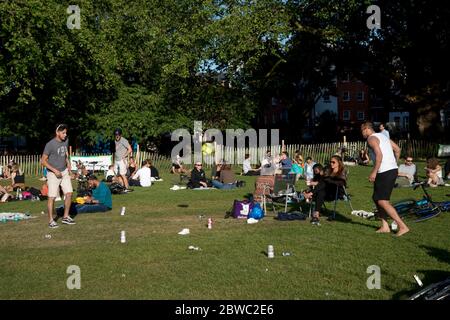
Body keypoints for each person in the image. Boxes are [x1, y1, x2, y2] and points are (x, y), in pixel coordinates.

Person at [361, 121, 409, 236]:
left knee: (383, 201)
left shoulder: (371, 139)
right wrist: (394, 163)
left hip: (384, 171)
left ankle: (402, 226)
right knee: (376, 198)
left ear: (367, 129)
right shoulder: (382, 136)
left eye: (362, 130)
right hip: (390, 170)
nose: (361, 133)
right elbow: (397, 149)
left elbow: (379, 155)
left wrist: (373, 172)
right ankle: (385, 226)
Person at [41, 123, 75, 228]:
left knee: (69, 193)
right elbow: (43, 161)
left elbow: (65, 154)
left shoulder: (66, 141)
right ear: (57, 132)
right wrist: (54, 170)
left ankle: (65, 217)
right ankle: (51, 220)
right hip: (53, 174)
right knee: (52, 197)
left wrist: (68, 162)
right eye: (63, 132)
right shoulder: (50, 144)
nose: (65, 134)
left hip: (64, 172)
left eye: (66, 132)